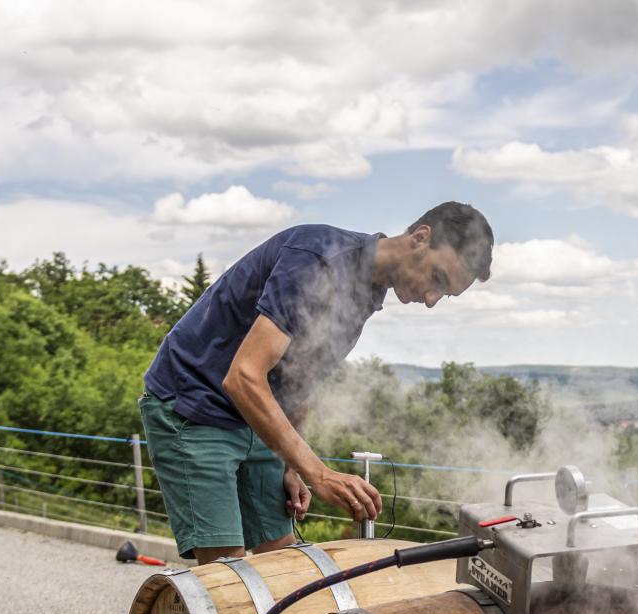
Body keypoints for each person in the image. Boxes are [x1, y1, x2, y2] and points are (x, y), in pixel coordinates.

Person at [138, 203, 493, 566]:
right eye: (438, 278)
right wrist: (318, 473)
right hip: (194, 404)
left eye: (445, 294)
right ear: (421, 238)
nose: (432, 300)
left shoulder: (368, 292)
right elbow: (243, 376)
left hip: (250, 418)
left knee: (283, 562)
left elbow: (299, 378)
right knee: (228, 573)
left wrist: (291, 465)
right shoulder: (318, 258)